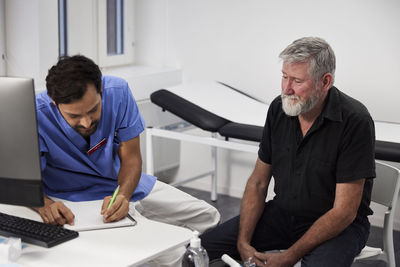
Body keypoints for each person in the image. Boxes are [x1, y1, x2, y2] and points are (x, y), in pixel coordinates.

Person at [201, 37, 375, 267]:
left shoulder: (355, 121)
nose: (286, 88)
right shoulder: (278, 109)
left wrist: (290, 255)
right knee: (200, 250)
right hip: (283, 214)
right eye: (284, 77)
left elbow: (343, 212)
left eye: (297, 80)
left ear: (325, 81)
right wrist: (243, 243)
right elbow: (258, 183)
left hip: (339, 226)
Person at [34, 55, 220, 266]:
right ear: (54, 103)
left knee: (209, 217)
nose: (86, 122)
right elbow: (24, 179)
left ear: (101, 91)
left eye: (93, 110)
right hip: (75, 197)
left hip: (121, 183)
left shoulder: (118, 92)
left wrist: (123, 195)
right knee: (171, 254)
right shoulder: (34, 114)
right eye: (74, 116)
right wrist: (45, 204)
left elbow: (131, 158)